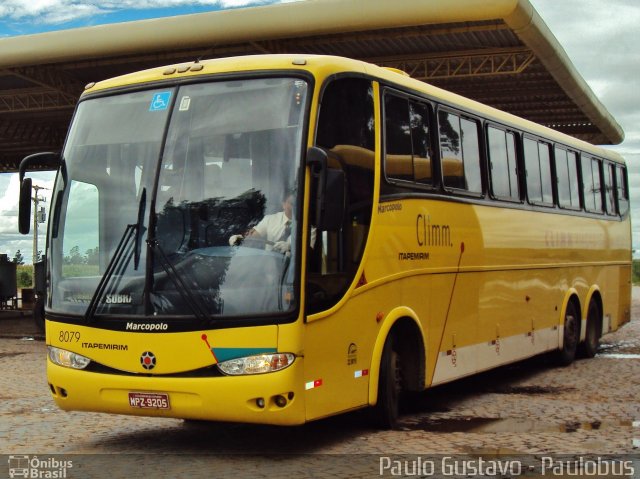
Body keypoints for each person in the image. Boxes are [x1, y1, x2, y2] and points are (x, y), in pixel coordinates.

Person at [229, 192, 295, 253]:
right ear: (283, 204)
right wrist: (241, 239)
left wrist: (291, 247)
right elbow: (253, 236)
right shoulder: (270, 219)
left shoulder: (304, 223)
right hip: (270, 261)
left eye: (297, 204)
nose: (294, 207)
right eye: (292, 203)